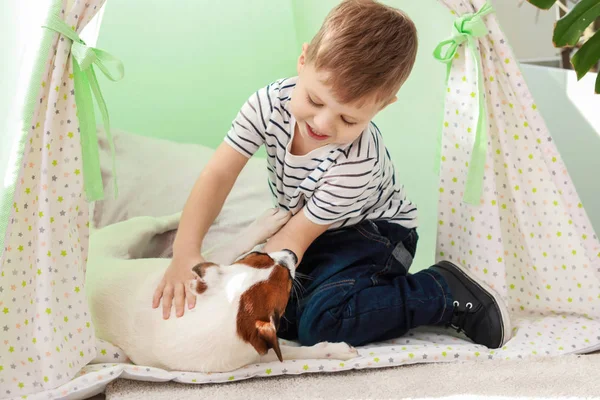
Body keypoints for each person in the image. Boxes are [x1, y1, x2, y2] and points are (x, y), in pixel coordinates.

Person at [152, 0, 511, 349]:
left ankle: (441, 292)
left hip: (377, 235)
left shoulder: (357, 163)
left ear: (383, 105)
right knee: (283, 319)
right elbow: (218, 174)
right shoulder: (267, 105)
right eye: (315, 100)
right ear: (303, 60)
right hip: (319, 232)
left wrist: (232, 284)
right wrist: (186, 253)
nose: (322, 124)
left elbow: (293, 239)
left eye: (348, 119)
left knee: (320, 323)